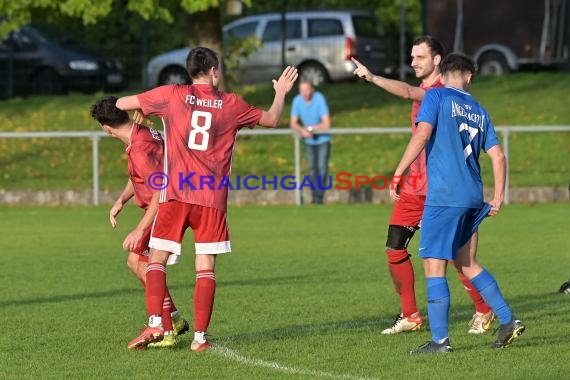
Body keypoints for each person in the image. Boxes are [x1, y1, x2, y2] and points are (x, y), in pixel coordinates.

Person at [116, 47, 298, 350]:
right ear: (214, 71)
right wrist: (280, 92)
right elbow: (272, 119)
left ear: (191, 72)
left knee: (156, 259)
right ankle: (200, 339)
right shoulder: (232, 104)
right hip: (211, 198)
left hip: (175, 193)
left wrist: (144, 108)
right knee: (205, 267)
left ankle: (154, 325)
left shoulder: (171, 94)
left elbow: (121, 102)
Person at [352, 36, 495, 334]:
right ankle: (411, 315)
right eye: (412, 56)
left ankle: (485, 310)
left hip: (443, 188)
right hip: (416, 188)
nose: (413, 62)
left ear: (438, 60)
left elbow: (406, 92)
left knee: (459, 258)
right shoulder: (430, 91)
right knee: (394, 248)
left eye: (419, 57)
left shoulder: (443, 92)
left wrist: (372, 77)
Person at [390, 52, 525, 353]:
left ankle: (440, 341)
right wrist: (499, 197)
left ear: (444, 72)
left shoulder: (436, 97)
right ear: (469, 77)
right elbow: (499, 157)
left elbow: (422, 133)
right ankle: (507, 320)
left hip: (445, 196)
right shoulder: (479, 108)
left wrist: (398, 171)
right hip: (472, 196)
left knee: (433, 266)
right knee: (467, 262)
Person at [90, 96, 188, 348]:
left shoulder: (140, 148)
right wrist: (121, 200)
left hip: (165, 209)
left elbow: (159, 187)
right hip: (164, 205)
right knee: (136, 262)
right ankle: (172, 319)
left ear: (107, 128)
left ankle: (166, 325)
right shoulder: (141, 133)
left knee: (142, 264)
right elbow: (140, 177)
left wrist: (139, 228)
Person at [289, 80, 331, 204]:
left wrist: (311, 129)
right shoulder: (297, 101)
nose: (305, 93)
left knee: (322, 169)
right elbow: (293, 123)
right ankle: (315, 198)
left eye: (307, 90)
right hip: (308, 141)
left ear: (312, 89)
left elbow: (326, 123)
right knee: (312, 169)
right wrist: (302, 131)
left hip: (323, 140)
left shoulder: (319, 99)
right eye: (302, 90)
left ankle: (319, 198)